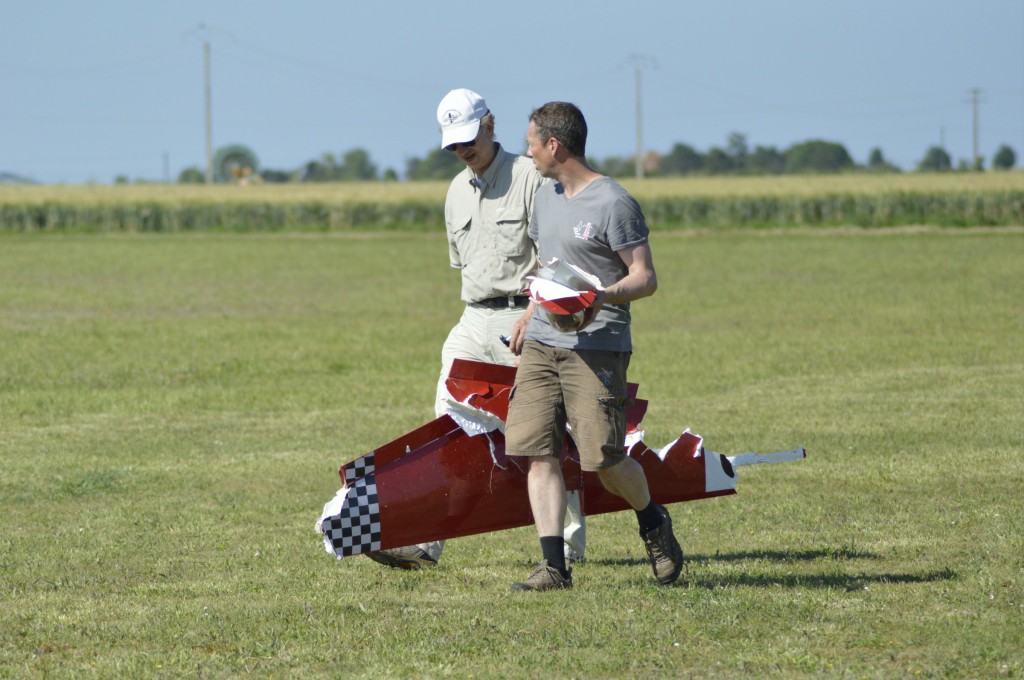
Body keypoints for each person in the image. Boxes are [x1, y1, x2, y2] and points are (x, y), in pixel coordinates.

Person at [365, 89, 587, 570]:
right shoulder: (454, 192)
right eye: (452, 145)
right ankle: (429, 541)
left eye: (468, 139)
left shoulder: (530, 176)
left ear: (489, 125)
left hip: (525, 317)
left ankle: (568, 544)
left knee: (543, 430)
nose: (461, 151)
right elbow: (462, 264)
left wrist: (537, 312)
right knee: (448, 424)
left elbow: (558, 258)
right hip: (472, 316)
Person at [504, 101, 684, 591]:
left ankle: (652, 522)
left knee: (601, 459)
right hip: (542, 341)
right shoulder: (544, 197)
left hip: (597, 345)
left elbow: (645, 278)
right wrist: (528, 314)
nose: (529, 152)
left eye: (532, 143)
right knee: (537, 449)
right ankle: (553, 567)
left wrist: (600, 295)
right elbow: (547, 267)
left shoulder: (614, 202)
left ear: (554, 145)